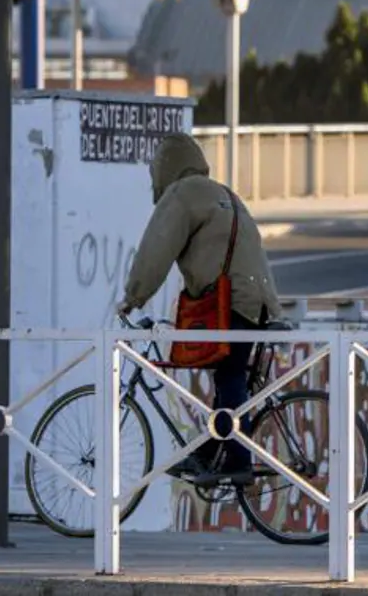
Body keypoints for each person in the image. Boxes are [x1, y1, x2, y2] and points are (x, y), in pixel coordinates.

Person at [118, 132, 282, 486]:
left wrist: (133, 297)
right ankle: (209, 453)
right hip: (260, 303)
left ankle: (239, 461)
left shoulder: (183, 194)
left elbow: (156, 250)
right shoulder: (225, 193)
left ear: (164, 169)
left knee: (230, 377)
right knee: (226, 380)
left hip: (232, 302)